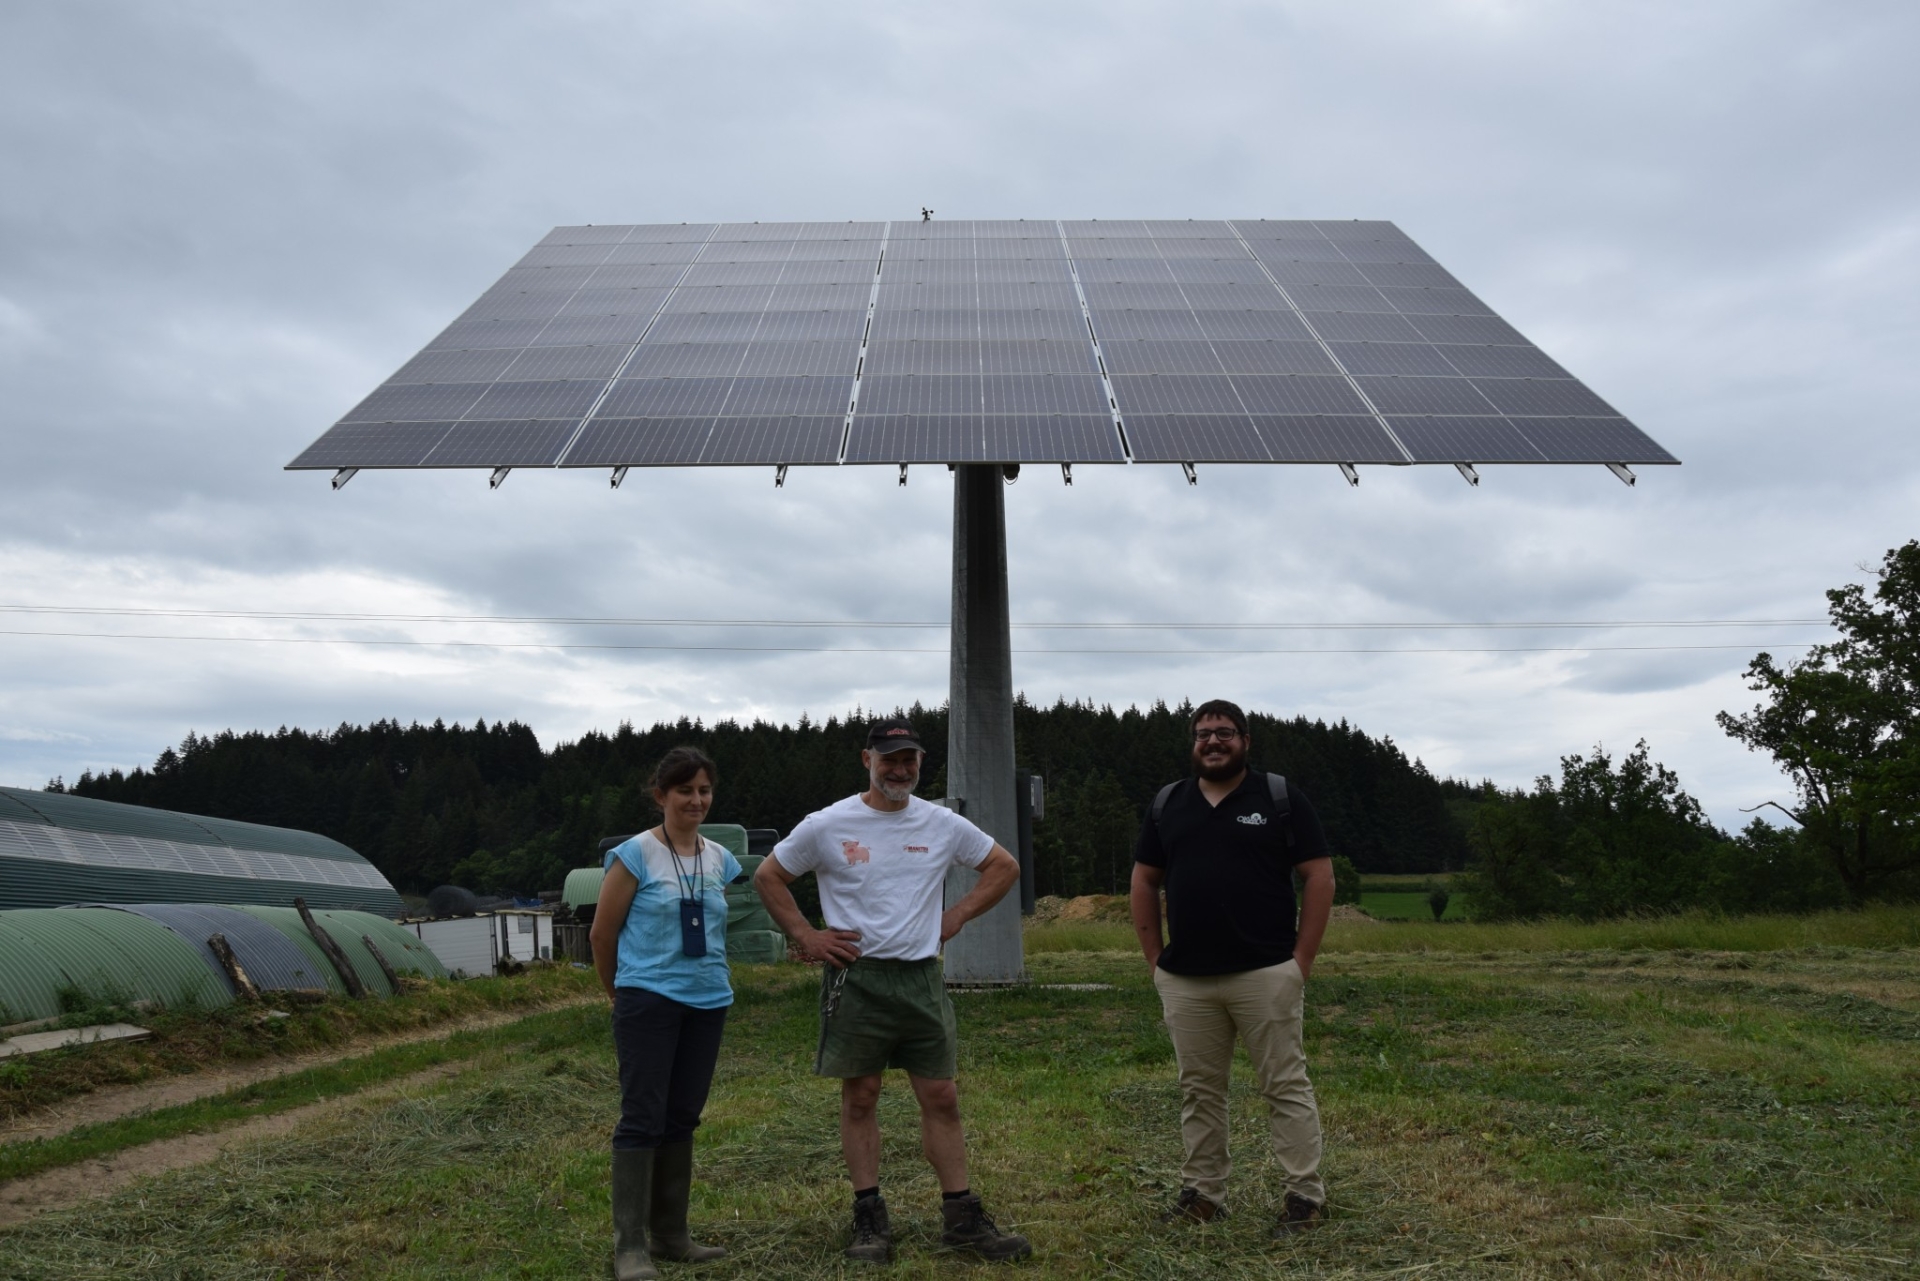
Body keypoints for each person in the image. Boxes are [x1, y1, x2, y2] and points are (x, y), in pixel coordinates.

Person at [754, 716, 1033, 1264]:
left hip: (921, 978)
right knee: (861, 1096)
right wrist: (806, 936)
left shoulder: (941, 823)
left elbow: (1004, 867)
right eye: (889, 760)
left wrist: (957, 915)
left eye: (909, 760)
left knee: (941, 1096)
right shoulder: (827, 824)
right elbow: (769, 876)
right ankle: (869, 1219)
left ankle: (961, 1218)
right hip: (857, 979)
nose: (900, 770)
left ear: (920, 763)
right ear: (868, 761)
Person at [1130, 699, 1336, 1238]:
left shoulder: (1279, 797)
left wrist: (1301, 961)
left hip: (1265, 972)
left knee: (1284, 1085)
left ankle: (1304, 1197)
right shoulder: (1169, 803)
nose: (1213, 741)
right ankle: (1203, 1195)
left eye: (1224, 732)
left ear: (1245, 740)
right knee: (1199, 1090)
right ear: (1193, 743)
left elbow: (1319, 876)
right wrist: (1155, 960)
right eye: (1203, 734)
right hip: (1186, 979)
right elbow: (1144, 880)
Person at [589, 746, 740, 1280]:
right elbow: (602, 935)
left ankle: (672, 1235)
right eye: (684, 790)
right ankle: (630, 1247)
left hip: (708, 1001)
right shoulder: (634, 854)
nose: (696, 800)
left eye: (704, 790)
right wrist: (619, 993)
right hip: (647, 1000)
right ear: (660, 796)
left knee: (682, 1117)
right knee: (642, 1117)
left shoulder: (720, 859)